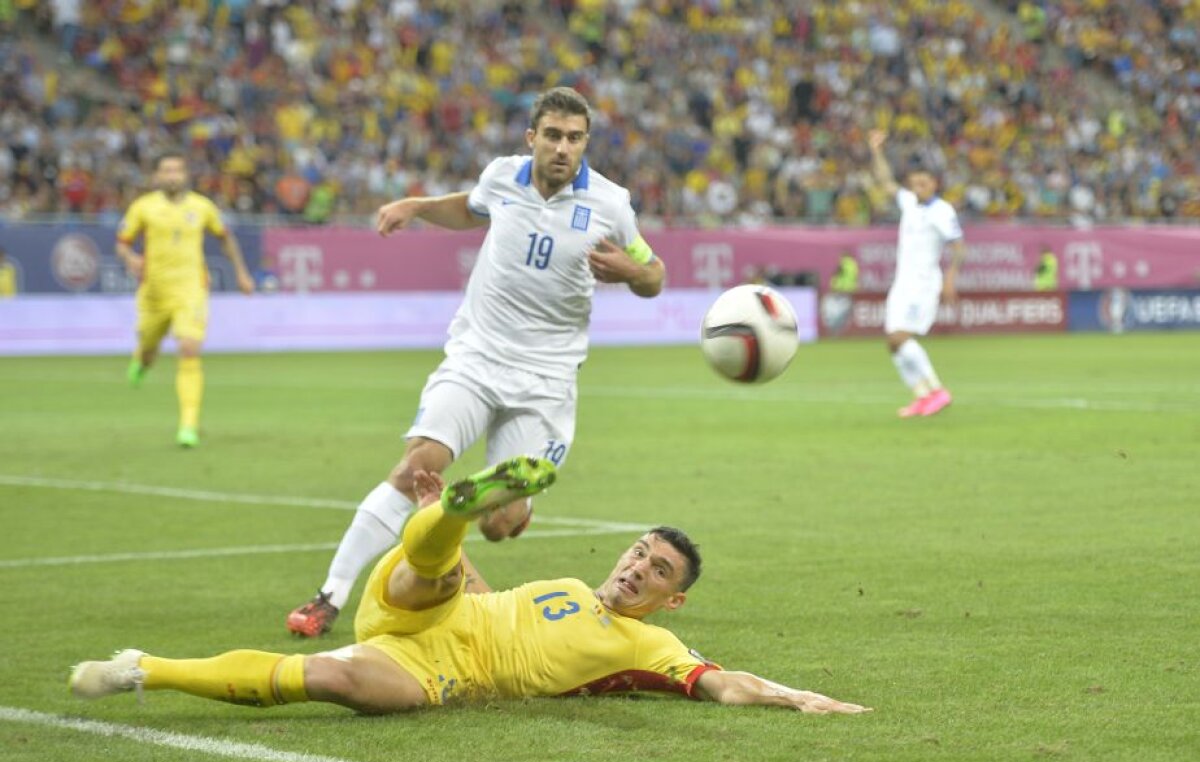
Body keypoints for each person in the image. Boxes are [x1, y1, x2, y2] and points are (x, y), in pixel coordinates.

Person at [286, 86, 666, 637]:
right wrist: (417, 207)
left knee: (497, 525)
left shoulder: (610, 204)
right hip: (477, 358)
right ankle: (330, 596)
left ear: (585, 143)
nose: (563, 147)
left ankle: (517, 510)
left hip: (546, 380)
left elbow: (654, 274)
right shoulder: (503, 176)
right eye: (553, 135)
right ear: (532, 137)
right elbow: (470, 207)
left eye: (575, 138)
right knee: (417, 467)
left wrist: (633, 274)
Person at [70, 456, 870, 716]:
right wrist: (448, 544)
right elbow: (481, 596)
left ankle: (139, 667)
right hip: (431, 603)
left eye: (657, 570)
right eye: (638, 552)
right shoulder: (565, 583)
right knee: (440, 571)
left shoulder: (651, 643)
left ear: (673, 598)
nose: (636, 567)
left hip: (446, 670)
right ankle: (448, 515)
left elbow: (723, 682)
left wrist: (798, 697)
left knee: (332, 679)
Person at [115, 152, 255, 447]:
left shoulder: (202, 207)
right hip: (154, 292)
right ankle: (142, 360)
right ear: (157, 176)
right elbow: (122, 243)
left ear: (185, 175)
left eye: (177, 170)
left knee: (189, 348)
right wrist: (130, 258)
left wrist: (241, 273)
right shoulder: (143, 207)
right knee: (149, 348)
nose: (172, 176)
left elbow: (225, 238)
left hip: (191, 289)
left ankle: (188, 425)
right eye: (166, 170)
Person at [867, 130, 965, 418]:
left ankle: (938, 390)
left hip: (923, 284)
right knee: (892, 342)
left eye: (924, 182)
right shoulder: (909, 202)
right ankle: (921, 396)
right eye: (915, 183)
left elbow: (959, 247)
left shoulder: (942, 211)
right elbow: (885, 182)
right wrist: (876, 150)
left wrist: (950, 279)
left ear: (934, 183)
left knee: (900, 337)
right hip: (902, 283)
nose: (918, 187)